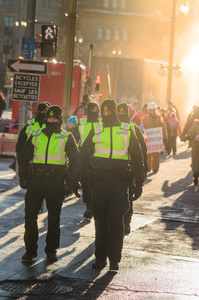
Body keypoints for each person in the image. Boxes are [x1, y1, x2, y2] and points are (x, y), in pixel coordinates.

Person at [73, 99, 145, 271]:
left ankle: (114, 260)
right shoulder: (96, 130)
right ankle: (100, 259)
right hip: (100, 183)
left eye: (109, 112)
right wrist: (74, 178)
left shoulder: (127, 130)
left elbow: (137, 158)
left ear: (114, 112)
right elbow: (83, 156)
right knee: (100, 221)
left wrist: (139, 183)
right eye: (103, 112)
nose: (106, 114)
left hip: (120, 183)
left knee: (116, 221)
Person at [18, 105, 78, 263]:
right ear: (46, 119)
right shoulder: (37, 134)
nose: (51, 120)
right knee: (30, 216)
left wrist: (70, 183)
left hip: (55, 182)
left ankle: (51, 250)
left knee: (54, 218)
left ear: (60, 120)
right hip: (36, 181)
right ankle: (30, 251)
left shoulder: (66, 137)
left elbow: (76, 161)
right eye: (49, 118)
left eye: (55, 118)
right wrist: (23, 177)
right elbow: (24, 156)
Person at [117, 103, 148, 235]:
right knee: (124, 198)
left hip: (130, 170)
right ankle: (122, 222)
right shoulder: (113, 130)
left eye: (124, 114)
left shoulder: (133, 129)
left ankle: (126, 222)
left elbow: (142, 152)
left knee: (128, 198)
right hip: (117, 169)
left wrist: (142, 171)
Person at [77, 102, 100, 219]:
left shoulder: (102, 124)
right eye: (92, 110)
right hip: (84, 158)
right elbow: (75, 138)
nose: (94, 113)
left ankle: (92, 207)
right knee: (85, 184)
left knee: (95, 185)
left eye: (96, 110)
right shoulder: (81, 123)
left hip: (97, 158)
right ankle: (88, 205)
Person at [142, 102, 166, 173]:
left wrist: (165, 136)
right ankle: (148, 167)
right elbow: (142, 128)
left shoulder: (159, 118)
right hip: (148, 139)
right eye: (151, 110)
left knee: (156, 153)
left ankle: (155, 168)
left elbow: (163, 127)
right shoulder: (145, 119)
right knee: (148, 153)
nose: (153, 111)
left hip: (156, 140)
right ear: (149, 110)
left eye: (154, 109)